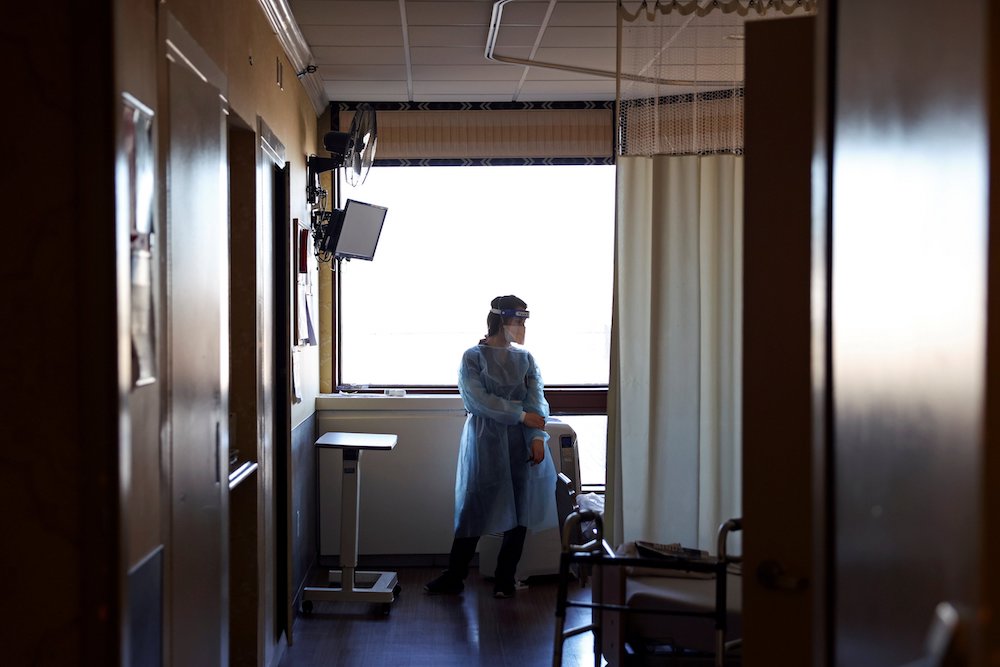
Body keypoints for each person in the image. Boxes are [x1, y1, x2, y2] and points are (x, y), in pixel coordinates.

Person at [424, 295, 558, 599]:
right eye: (517, 321)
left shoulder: (526, 360)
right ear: (500, 320)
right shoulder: (473, 357)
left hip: (521, 441)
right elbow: (477, 399)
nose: (521, 327)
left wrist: (537, 438)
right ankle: (455, 575)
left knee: (520, 511)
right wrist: (520, 415)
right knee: (474, 507)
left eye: (525, 321)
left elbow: (536, 399)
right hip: (485, 440)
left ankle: (505, 578)